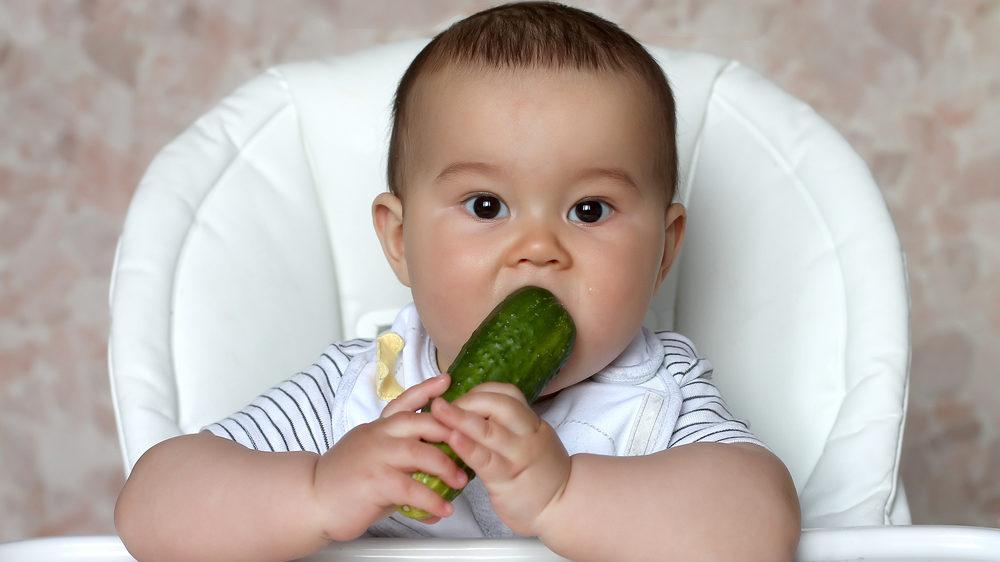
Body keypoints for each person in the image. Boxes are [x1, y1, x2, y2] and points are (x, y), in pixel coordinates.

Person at [115, 2, 801, 560]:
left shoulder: (661, 394)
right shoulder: (357, 390)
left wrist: (566, 496)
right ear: (400, 241)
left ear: (662, 253)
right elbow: (153, 507)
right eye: (485, 206)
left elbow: (759, 522)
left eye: (589, 210)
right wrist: (316, 492)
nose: (538, 249)